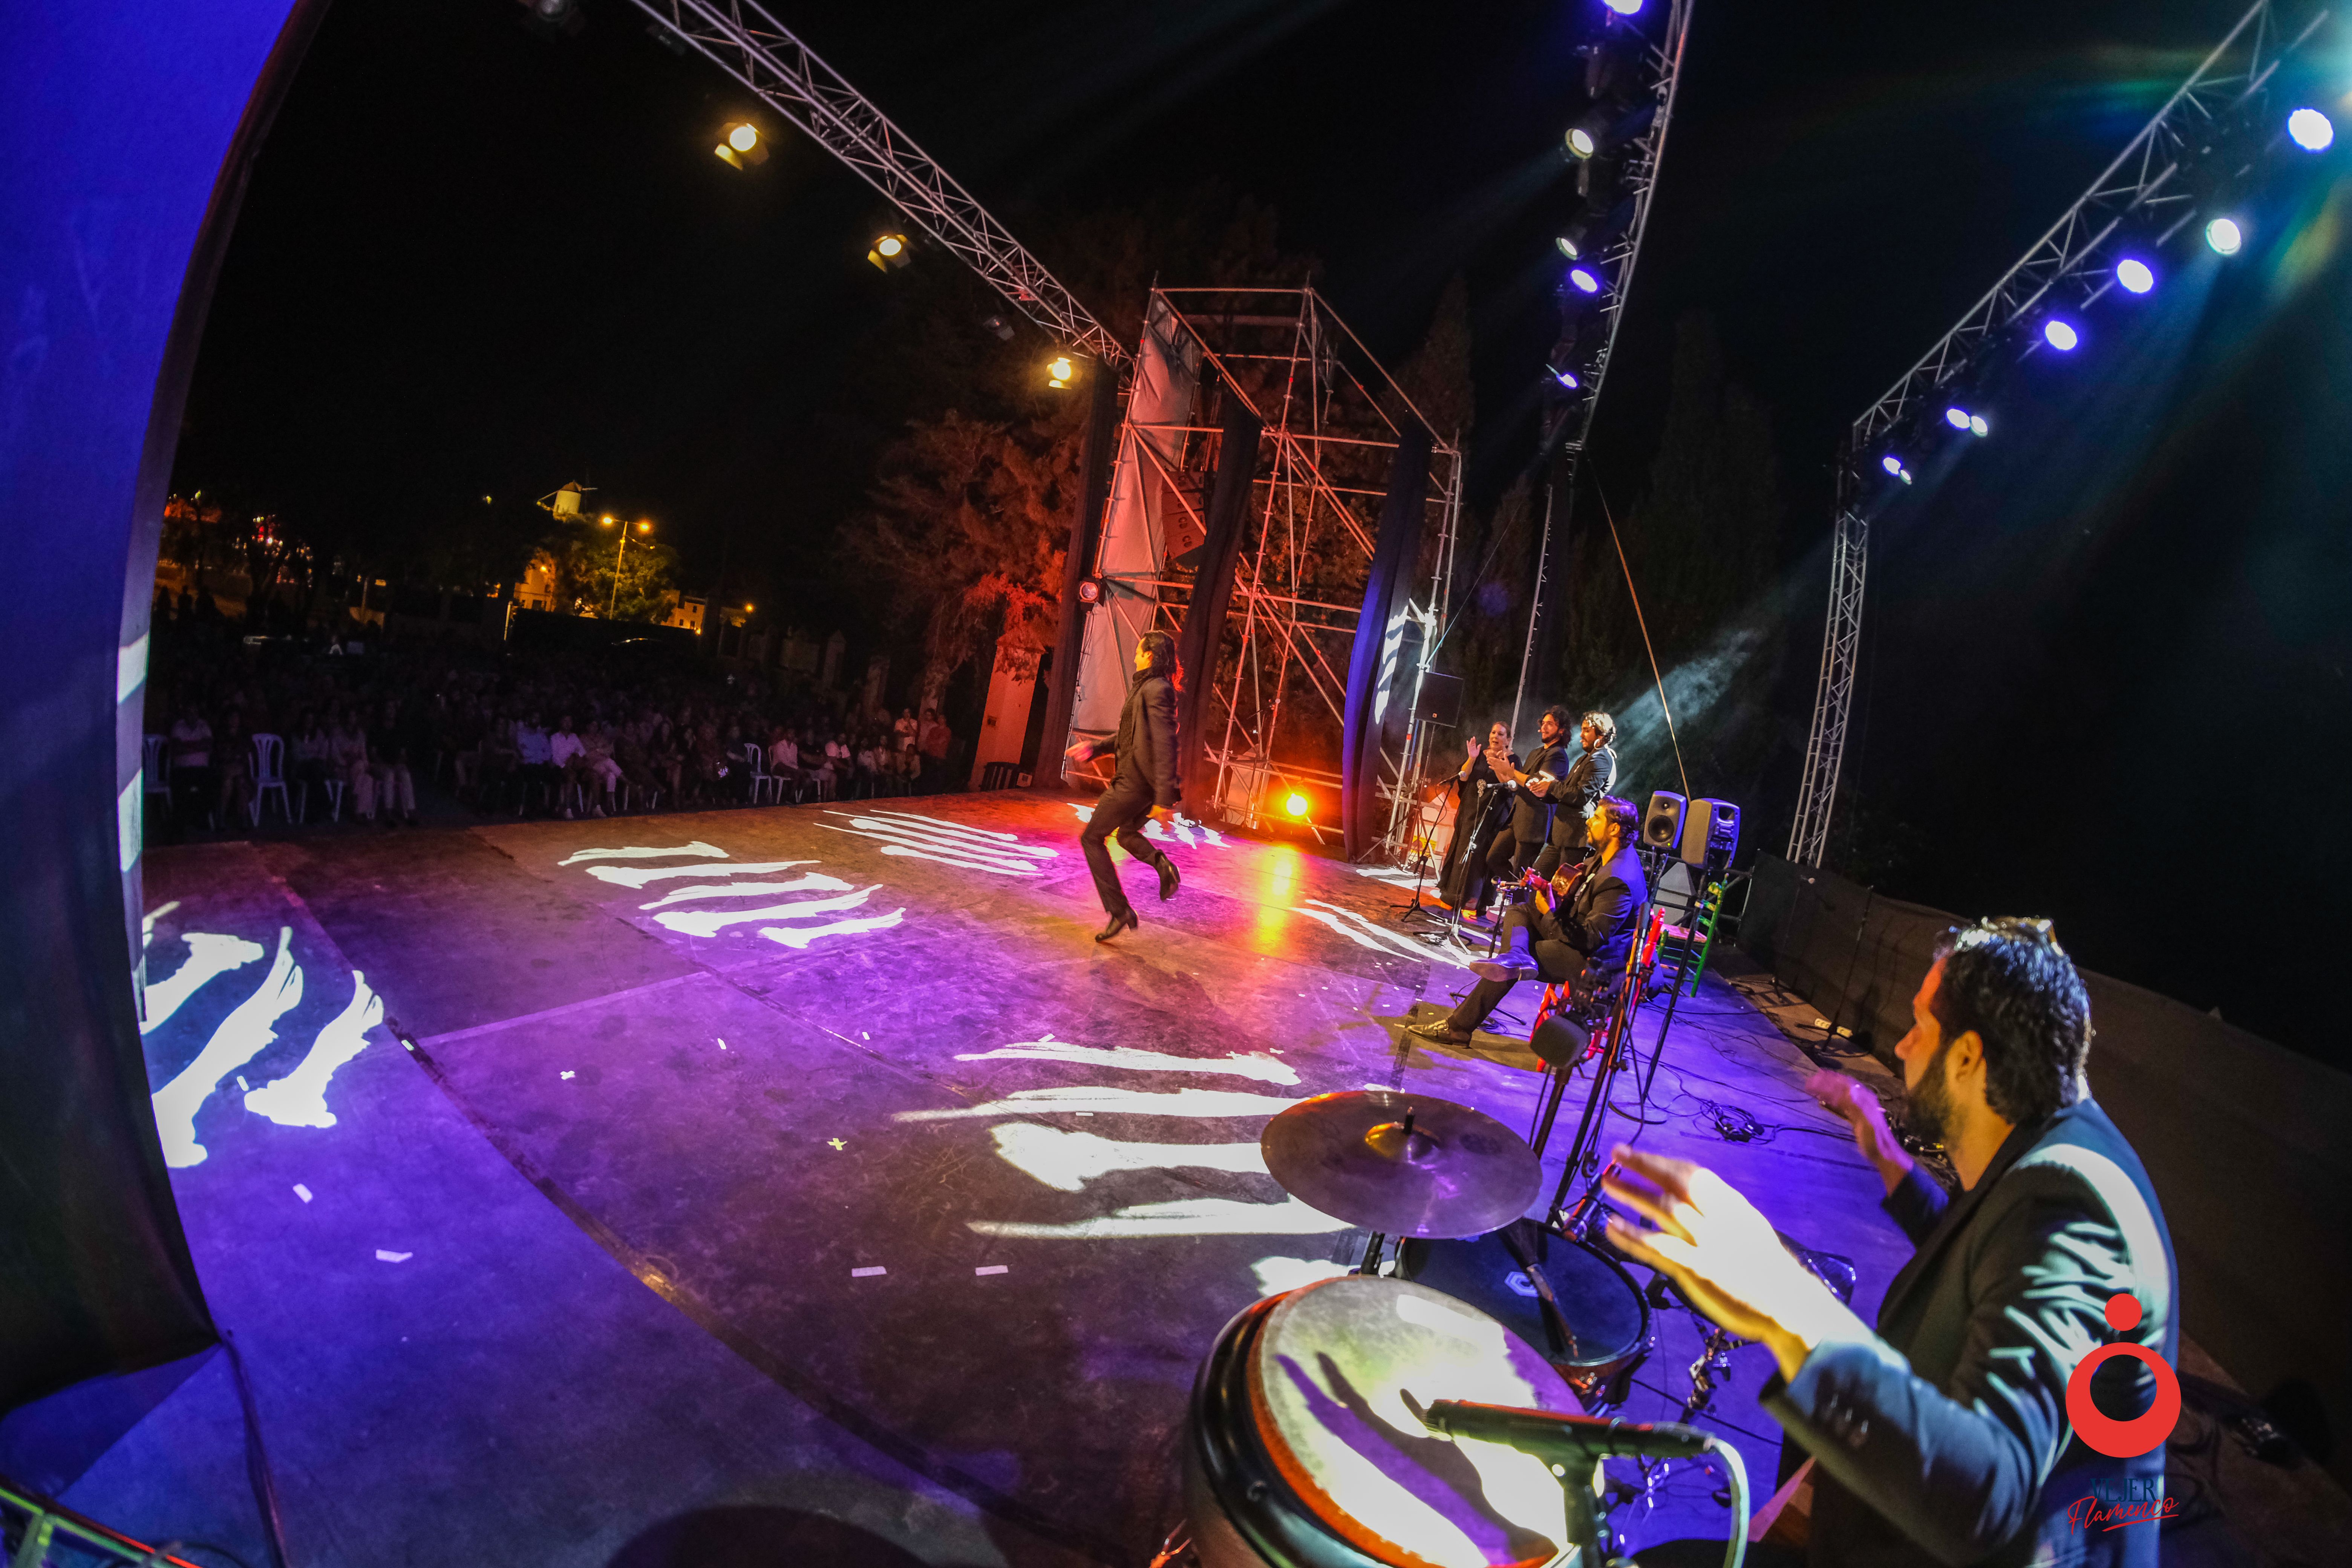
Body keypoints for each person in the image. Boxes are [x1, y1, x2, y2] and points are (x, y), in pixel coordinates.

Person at [1601, 918, 2178, 1568]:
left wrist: (1790, 1306)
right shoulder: (2044, 1158)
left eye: (1920, 1028)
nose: (1901, 1048)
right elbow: (1980, 1260)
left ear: (1967, 1057)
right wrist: (1883, 1150)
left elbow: (1993, 1492)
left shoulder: (2072, 1206)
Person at [1410, 794, 1646, 1043]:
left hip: (1592, 964)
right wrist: (1548, 890)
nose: (1589, 821)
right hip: (1577, 940)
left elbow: (1590, 939)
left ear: (1614, 828)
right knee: (1520, 910)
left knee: (1514, 961)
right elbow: (1581, 900)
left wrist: (1550, 913)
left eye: (1597, 818)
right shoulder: (1605, 858)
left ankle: (1459, 1025)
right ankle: (1516, 956)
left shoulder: (1619, 879)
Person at [1064, 630, 1183, 943]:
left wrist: (1164, 800)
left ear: (1149, 656)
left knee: (1092, 838)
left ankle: (1120, 911)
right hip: (1140, 782)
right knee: (1128, 834)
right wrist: (1096, 749)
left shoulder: (1157, 689)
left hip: (1134, 783)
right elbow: (1132, 738)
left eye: (1139, 651)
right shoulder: (1147, 688)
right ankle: (1163, 867)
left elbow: (1165, 744)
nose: (1134, 655)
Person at [1476, 706, 1573, 918]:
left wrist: (1510, 771)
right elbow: (1517, 783)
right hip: (1517, 817)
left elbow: (1537, 785)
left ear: (1562, 730)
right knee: (1494, 858)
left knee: (1523, 872)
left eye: (1551, 724)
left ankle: (1518, 920)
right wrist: (1503, 771)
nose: (1544, 728)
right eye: (1543, 723)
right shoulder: (1537, 752)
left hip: (1533, 825)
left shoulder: (1558, 757)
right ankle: (1518, 899)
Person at [1534, 710, 1619, 879]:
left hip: (1575, 836)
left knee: (1562, 889)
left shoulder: (1601, 760)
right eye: (1582, 730)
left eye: (1587, 730)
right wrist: (1545, 788)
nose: (1581, 735)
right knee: (1536, 879)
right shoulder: (1588, 758)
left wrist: (1552, 785)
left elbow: (1580, 796)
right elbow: (1566, 790)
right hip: (1562, 835)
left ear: (1601, 734)